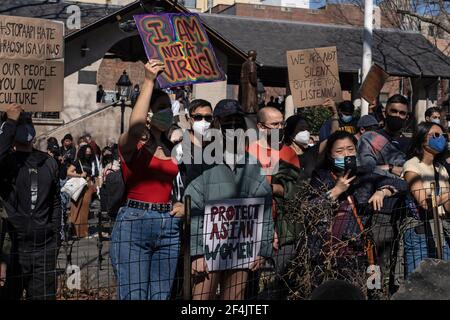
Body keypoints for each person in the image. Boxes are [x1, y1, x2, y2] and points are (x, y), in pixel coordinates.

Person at [185, 99, 274, 300]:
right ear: (217, 125)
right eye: (226, 122)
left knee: (235, 300)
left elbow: (265, 208)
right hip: (208, 250)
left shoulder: (252, 163)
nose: (232, 127)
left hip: (241, 248)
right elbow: (194, 208)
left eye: (236, 122)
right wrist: (197, 253)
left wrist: (262, 250)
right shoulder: (202, 162)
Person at [109, 60, 183, 300]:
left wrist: (183, 205)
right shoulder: (132, 145)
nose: (168, 112)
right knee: (134, 295)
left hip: (169, 225)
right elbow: (136, 126)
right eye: (161, 107)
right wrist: (149, 81)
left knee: (161, 296)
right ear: (148, 112)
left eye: (169, 108)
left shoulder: (174, 148)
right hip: (134, 223)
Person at [310, 131, 405, 273]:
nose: (347, 155)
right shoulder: (321, 177)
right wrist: (336, 191)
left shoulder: (365, 174)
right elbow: (309, 208)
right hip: (325, 250)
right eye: (339, 151)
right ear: (330, 155)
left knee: (366, 288)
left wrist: (383, 191)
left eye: (350, 149)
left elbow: (402, 185)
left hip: (359, 250)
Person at [0, 104, 61, 300]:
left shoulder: (48, 162)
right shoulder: (7, 162)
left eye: (27, 122)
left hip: (44, 247)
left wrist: (55, 234)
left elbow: (56, 201)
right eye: (21, 123)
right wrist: (10, 122)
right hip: (15, 249)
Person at [357, 94, 410, 282]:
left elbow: (414, 175)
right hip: (380, 212)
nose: (397, 115)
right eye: (393, 111)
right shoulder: (371, 138)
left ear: (407, 117)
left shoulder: (410, 144)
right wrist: (393, 171)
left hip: (407, 213)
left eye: (401, 113)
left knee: (400, 266)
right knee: (377, 265)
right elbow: (366, 169)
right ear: (385, 113)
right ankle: (375, 294)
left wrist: (387, 170)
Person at [401, 122, 450, 276]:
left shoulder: (440, 168)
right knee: (418, 282)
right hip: (420, 231)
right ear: (422, 139)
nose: (440, 139)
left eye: (443, 135)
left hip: (441, 229)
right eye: (436, 135)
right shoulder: (412, 165)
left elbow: (447, 206)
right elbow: (425, 202)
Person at [175, 99, 213, 188]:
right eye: (198, 117)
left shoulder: (214, 148)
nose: (204, 122)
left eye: (208, 118)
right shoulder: (180, 147)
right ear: (189, 119)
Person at [67, 145, 98, 238]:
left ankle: (83, 232)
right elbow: (68, 172)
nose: (88, 154)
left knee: (85, 209)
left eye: (89, 152)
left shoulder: (90, 162)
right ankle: (74, 232)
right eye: (86, 152)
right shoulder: (77, 161)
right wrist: (80, 175)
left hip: (87, 186)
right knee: (75, 208)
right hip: (78, 186)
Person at [283, 114, 320, 182]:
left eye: (307, 129)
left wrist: (335, 115)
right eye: (301, 129)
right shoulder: (282, 155)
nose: (306, 132)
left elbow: (331, 139)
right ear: (291, 133)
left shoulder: (312, 152)